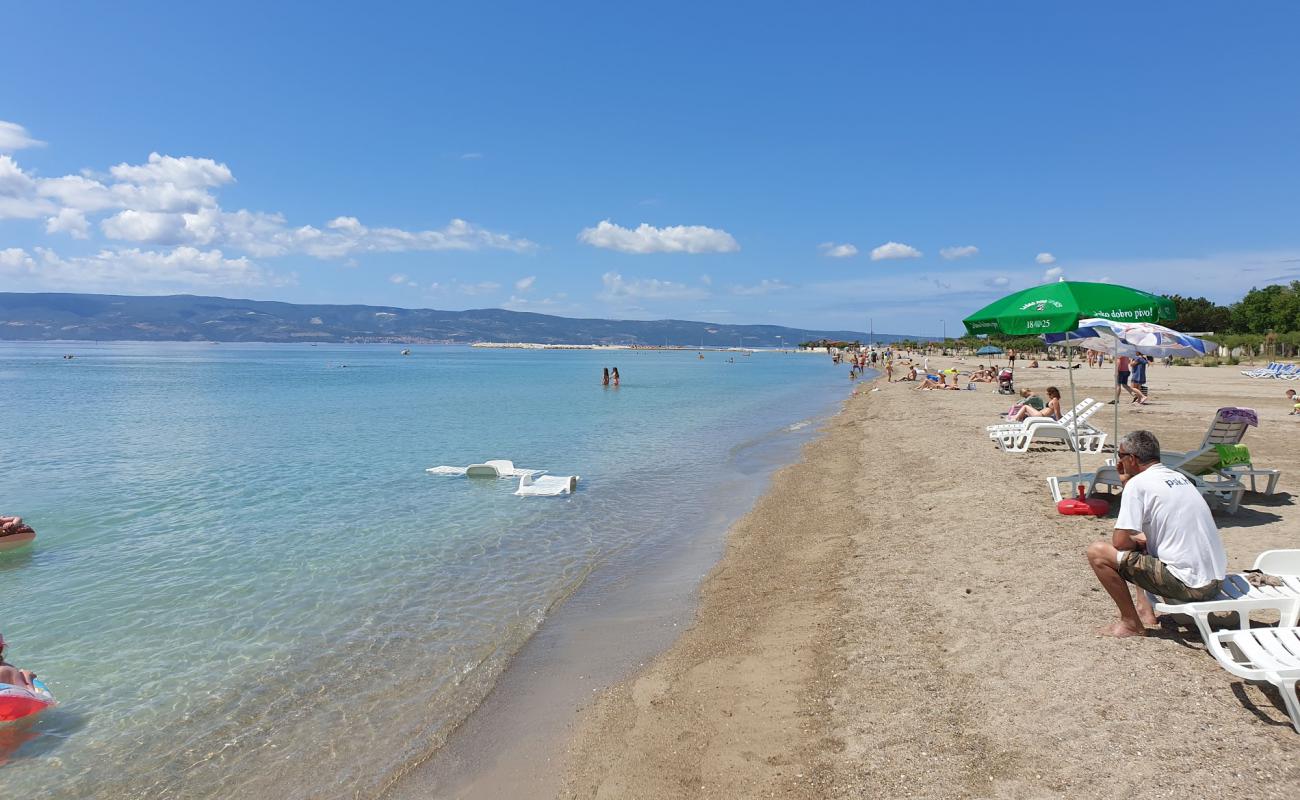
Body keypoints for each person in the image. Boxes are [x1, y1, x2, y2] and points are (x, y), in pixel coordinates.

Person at [1085, 430, 1227, 637]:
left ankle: (1130, 623)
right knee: (1142, 544)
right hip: (1215, 580)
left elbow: (1120, 542)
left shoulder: (1138, 484)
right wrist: (1127, 482)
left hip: (1189, 585)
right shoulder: (1178, 477)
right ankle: (1145, 611)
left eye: (1120, 455)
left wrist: (1128, 484)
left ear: (1132, 459)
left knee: (1098, 552)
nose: (1119, 460)